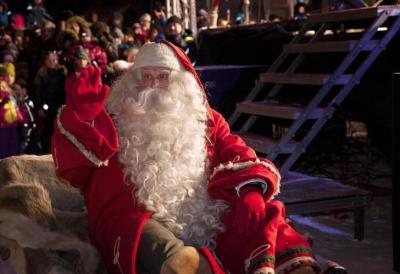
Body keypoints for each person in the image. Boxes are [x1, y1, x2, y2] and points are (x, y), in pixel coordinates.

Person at [52, 41, 341, 274]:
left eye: (162, 77)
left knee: (262, 219)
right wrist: (84, 118)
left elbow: (235, 149)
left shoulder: (205, 119)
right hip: (138, 214)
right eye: (146, 77)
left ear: (179, 82)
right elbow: (76, 172)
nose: (152, 85)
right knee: (165, 253)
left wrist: (251, 190)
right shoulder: (115, 120)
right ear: (133, 81)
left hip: (203, 210)